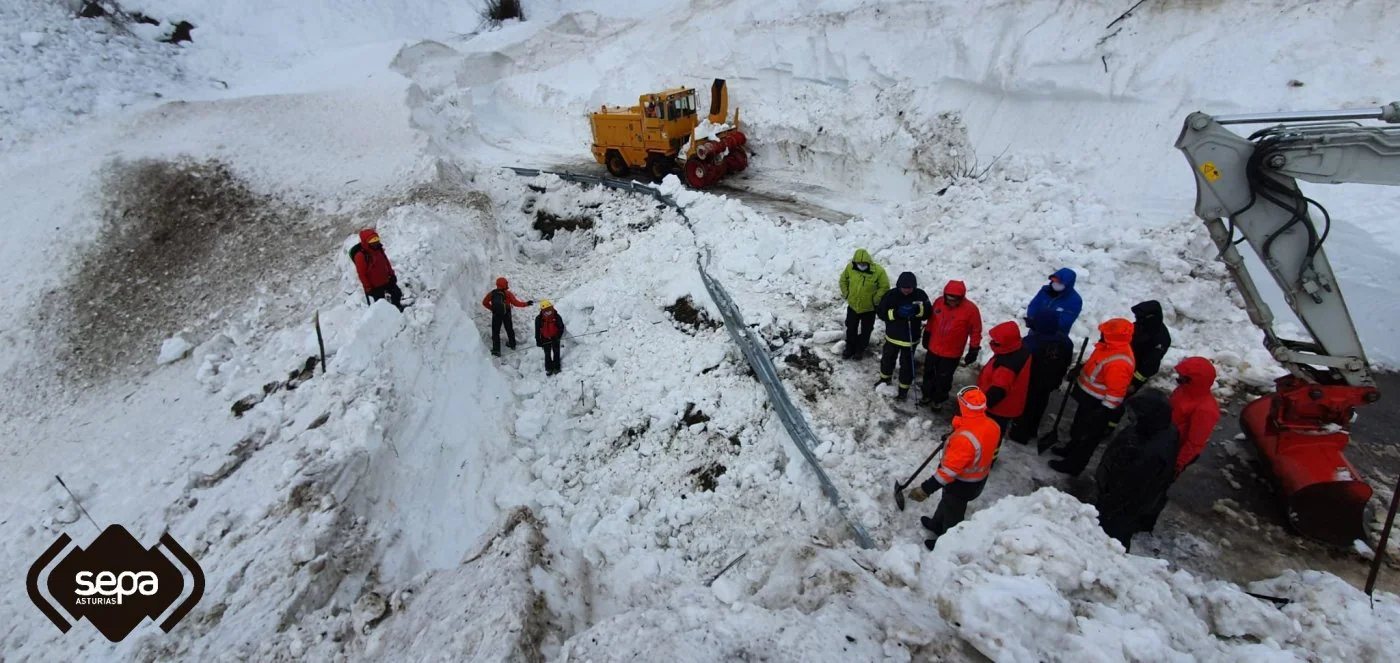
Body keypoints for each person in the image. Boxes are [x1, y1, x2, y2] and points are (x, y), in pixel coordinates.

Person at [906, 386, 1001, 550]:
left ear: (965, 407)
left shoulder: (964, 439)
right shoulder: (992, 425)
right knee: (946, 502)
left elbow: (948, 473)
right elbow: (979, 441)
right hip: (978, 479)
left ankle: (946, 542)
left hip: (962, 483)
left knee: (953, 513)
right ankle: (937, 523)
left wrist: (925, 489)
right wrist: (954, 434)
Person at [1138, 356, 1221, 532]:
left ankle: (1146, 521)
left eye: (1183, 378)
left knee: (1158, 487)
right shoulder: (1184, 391)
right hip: (1164, 442)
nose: (1178, 381)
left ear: (1194, 381)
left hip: (1176, 452)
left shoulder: (1206, 409)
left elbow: (1194, 443)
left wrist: (1178, 464)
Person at [1093, 389, 1179, 553]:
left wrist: (1109, 499)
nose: (1130, 417)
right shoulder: (1153, 429)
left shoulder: (1153, 452)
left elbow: (1132, 487)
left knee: (1113, 535)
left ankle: (1108, 559)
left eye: (1135, 414)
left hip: (1122, 504)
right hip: (1118, 494)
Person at [1049, 318, 1136, 476]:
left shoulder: (1120, 361)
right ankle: (1070, 450)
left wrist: (1104, 411)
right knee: (1078, 430)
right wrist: (1080, 369)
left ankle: (1074, 465)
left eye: (1105, 333)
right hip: (1088, 400)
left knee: (1087, 438)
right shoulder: (1107, 348)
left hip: (1099, 405)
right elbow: (1094, 366)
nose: (1101, 334)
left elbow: (1116, 392)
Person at [1106, 299, 1174, 434]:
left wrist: (1134, 383)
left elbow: (1150, 366)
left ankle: (1108, 426)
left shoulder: (1161, 338)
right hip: (1123, 366)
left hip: (1134, 374)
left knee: (1119, 401)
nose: (1137, 319)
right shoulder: (1140, 325)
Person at [1008, 308, 1074, 444]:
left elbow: (1020, 362)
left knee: (1026, 406)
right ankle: (1032, 429)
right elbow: (1067, 361)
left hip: (1031, 382)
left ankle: (1020, 433)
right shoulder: (1066, 341)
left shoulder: (1031, 343)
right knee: (1041, 403)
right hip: (1051, 381)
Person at [917, 280, 982, 408]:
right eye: (949, 298)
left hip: (952, 353)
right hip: (933, 348)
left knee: (944, 378)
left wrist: (973, 348)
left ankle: (938, 400)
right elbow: (932, 320)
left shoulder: (971, 310)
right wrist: (927, 334)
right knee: (929, 373)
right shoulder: (939, 302)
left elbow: (975, 330)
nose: (951, 301)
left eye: (954, 299)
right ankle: (926, 394)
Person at [875, 272, 931, 401]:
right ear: (899, 286)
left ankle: (903, 389)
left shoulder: (920, 295)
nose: (907, 290)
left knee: (907, 365)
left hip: (910, 339)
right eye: (904, 288)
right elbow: (882, 313)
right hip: (892, 337)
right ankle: (884, 379)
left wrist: (917, 311)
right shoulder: (890, 295)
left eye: (910, 288)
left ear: (914, 287)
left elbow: (928, 312)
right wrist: (896, 313)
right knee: (887, 359)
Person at [976, 321, 1034, 431]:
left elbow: (998, 391)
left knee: (988, 435)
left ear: (1006, 342)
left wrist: (980, 407)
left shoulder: (1007, 366)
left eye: (996, 341)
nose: (992, 342)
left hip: (997, 409)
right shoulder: (1019, 349)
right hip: (1008, 406)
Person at [838, 248, 890, 359]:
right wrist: (846, 294)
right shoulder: (850, 268)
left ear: (868, 262)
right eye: (858, 263)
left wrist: (875, 299)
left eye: (863, 263)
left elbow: (884, 287)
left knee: (866, 330)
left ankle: (860, 349)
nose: (861, 265)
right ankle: (850, 348)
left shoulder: (878, 271)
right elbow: (843, 280)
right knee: (851, 327)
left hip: (869, 308)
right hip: (853, 306)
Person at [349, 229, 404, 310]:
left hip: (386, 280)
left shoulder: (378, 249)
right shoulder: (360, 256)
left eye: (376, 239)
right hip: (374, 286)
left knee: (397, 293)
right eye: (372, 240)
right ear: (366, 242)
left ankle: (397, 308)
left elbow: (386, 262)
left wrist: (392, 274)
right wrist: (368, 288)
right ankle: (385, 317)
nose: (375, 242)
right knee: (380, 304)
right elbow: (362, 274)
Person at [482, 277, 532, 356]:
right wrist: (526, 304)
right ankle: (512, 344)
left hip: (496, 314)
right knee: (509, 329)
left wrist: (492, 308)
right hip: (507, 313)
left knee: (495, 332)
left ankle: (496, 350)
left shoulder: (492, 293)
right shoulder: (508, 293)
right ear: (504, 284)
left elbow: (484, 302)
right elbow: (516, 303)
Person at [1026, 267, 1082, 333]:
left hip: (1055, 336)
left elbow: (1066, 321)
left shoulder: (1075, 301)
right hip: (1035, 330)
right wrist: (1032, 318)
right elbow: (1033, 305)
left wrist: (1042, 324)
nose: (1055, 283)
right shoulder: (1045, 291)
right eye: (1054, 281)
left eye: (1059, 282)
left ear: (1067, 284)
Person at [535, 300, 567, 375]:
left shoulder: (556, 316)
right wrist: (538, 340)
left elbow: (561, 327)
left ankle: (556, 367)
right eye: (546, 310)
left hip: (555, 337)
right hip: (545, 338)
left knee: (555, 352)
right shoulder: (539, 318)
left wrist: (558, 337)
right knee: (548, 353)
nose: (548, 311)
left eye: (549, 309)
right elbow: (537, 330)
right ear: (542, 310)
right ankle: (549, 368)